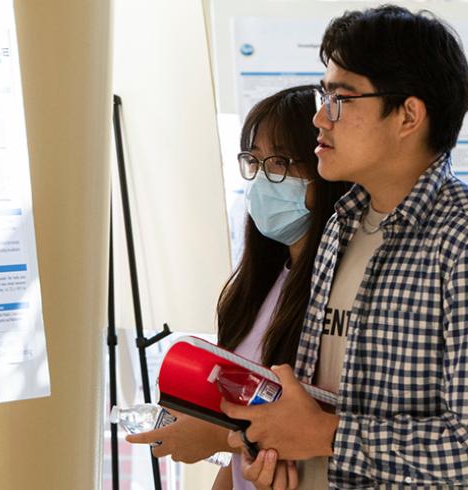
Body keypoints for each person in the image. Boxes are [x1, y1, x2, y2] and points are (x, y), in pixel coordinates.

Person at [220, 5, 468, 488]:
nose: (319, 118)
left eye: (340, 98)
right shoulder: (340, 226)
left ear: (408, 116)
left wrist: (327, 435)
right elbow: (324, 406)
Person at [125, 85, 349, 490]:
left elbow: (316, 430)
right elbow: (231, 460)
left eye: (280, 162)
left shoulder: (338, 296)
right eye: (253, 161)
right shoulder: (260, 283)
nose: (264, 179)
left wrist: (215, 435)